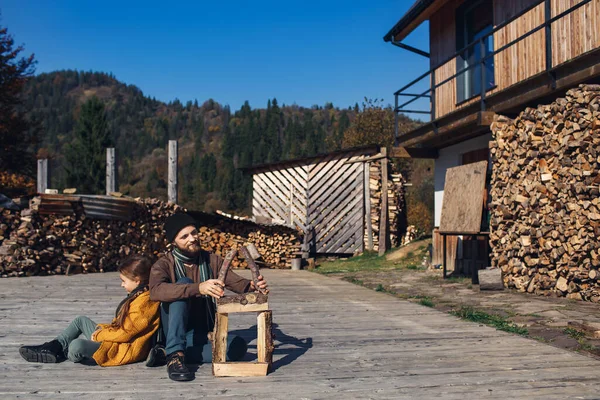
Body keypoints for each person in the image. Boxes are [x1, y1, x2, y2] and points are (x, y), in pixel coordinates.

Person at [149, 212, 268, 382]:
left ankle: (171, 352)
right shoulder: (164, 264)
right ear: (173, 242)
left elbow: (236, 283)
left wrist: (252, 286)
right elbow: (156, 291)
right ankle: (175, 354)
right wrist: (198, 287)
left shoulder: (211, 260)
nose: (192, 238)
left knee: (237, 347)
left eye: (194, 232)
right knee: (182, 282)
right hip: (175, 329)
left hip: (203, 332)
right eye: (184, 236)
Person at [19, 255, 160, 367]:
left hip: (123, 349)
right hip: (115, 339)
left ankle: (63, 352)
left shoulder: (144, 303)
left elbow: (126, 334)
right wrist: (102, 332)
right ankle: (54, 347)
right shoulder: (138, 295)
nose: (121, 284)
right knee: (80, 320)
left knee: (76, 345)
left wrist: (99, 335)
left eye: (124, 281)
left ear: (137, 280)